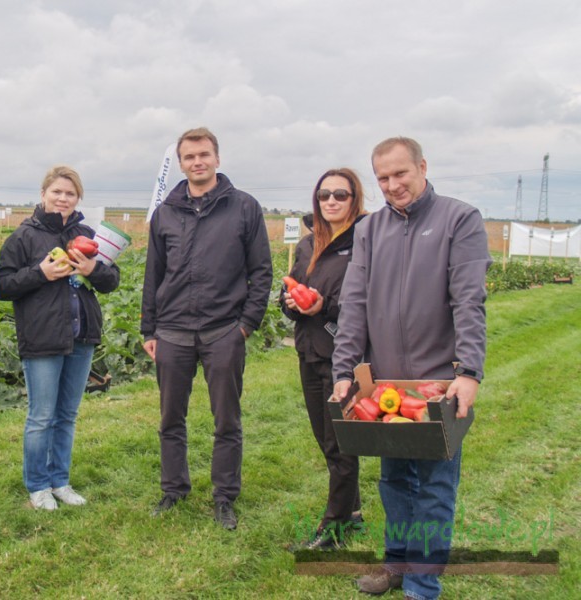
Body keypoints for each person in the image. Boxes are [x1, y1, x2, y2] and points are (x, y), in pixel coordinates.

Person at [332, 137, 491, 599]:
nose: (392, 185)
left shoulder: (459, 219)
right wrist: (345, 370)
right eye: (382, 178)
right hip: (386, 385)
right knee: (394, 480)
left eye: (400, 174)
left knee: (435, 487)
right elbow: (355, 303)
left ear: (422, 166)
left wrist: (468, 371)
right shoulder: (370, 229)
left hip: (437, 383)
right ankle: (396, 564)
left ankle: (423, 584)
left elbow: (468, 300)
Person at [141, 127, 273, 530]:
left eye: (204, 154)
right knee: (170, 419)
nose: (197, 162)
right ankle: (173, 489)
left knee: (226, 420)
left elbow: (261, 273)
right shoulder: (166, 212)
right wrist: (150, 329)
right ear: (180, 163)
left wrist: (245, 326)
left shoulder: (244, 207)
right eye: (189, 157)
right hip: (174, 332)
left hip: (223, 332)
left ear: (217, 158)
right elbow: (153, 274)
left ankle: (224, 497)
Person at [0, 166, 119, 511]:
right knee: (41, 416)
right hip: (42, 336)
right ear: (44, 193)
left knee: (67, 414)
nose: (63, 199)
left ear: (78, 198)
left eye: (70, 193)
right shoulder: (24, 236)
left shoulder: (88, 234)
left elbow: (111, 281)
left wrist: (94, 269)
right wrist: (41, 273)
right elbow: (1, 285)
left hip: (82, 335)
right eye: (57, 192)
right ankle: (38, 486)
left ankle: (60, 481)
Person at [280, 168, 366, 550]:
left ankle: (334, 528)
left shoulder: (366, 241)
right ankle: (355, 511)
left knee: (340, 442)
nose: (331, 200)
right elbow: (296, 290)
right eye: (324, 194)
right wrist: (293, 304)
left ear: (354, 199)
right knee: (325, 438)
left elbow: (366, 300)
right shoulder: (307, 244)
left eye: (340, 195)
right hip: (310, 352)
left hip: (345, 357)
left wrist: (324, 307)